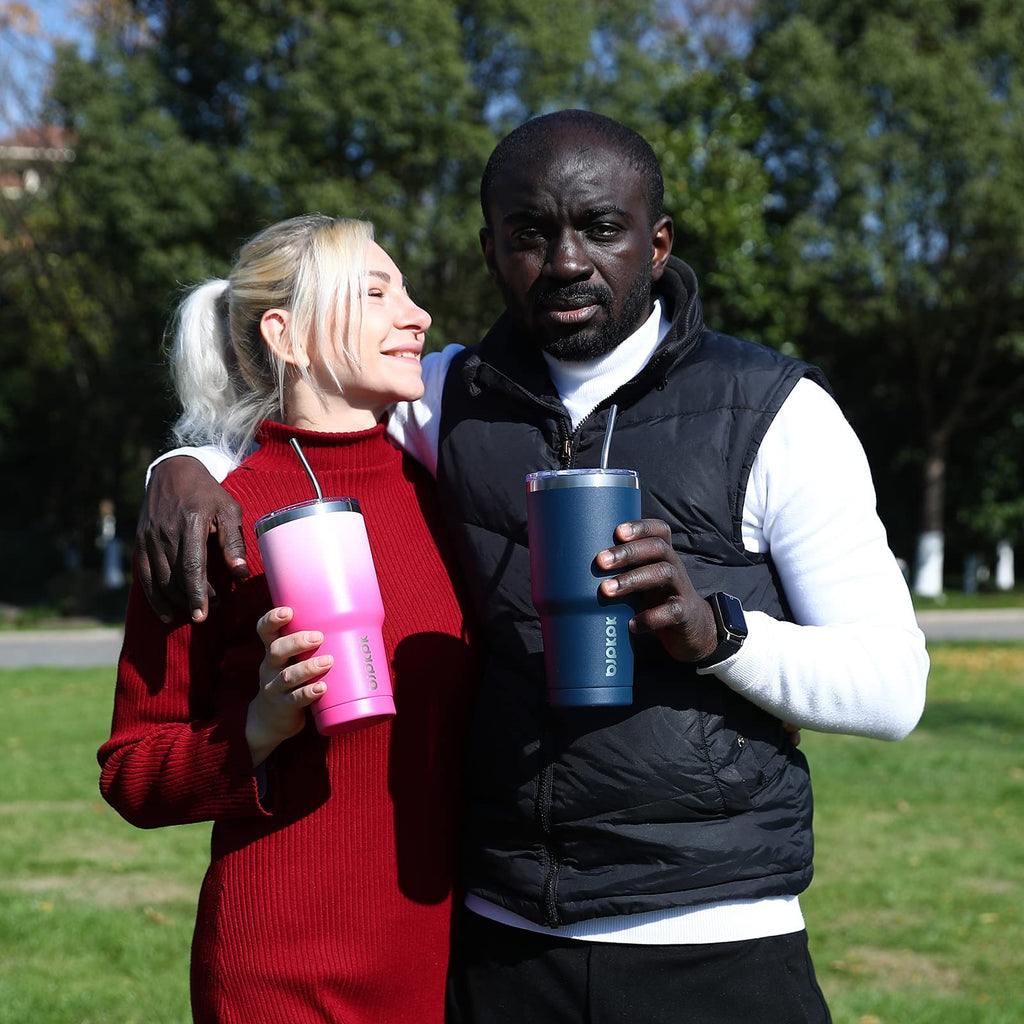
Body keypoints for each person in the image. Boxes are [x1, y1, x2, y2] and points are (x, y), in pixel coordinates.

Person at [140, 112, 928, 1023]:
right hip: (501, 946)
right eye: (529, 234)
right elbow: (297, 422)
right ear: (490, 250)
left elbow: (893, 688)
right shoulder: (445, 396)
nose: (564, 263)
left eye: (601, 228)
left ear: (658, 243)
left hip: (717, 945)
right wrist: (184, 467)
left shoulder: (776, 411)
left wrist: (719, 634)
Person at [99, 214, 476, 1024]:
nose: (418, 315)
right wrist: (259, 726)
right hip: (278, 974)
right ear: (289, 335)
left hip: (447, 965)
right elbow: (130, 769)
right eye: (377, 293)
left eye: (405, 290)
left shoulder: (452, 498)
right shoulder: (207, 524)